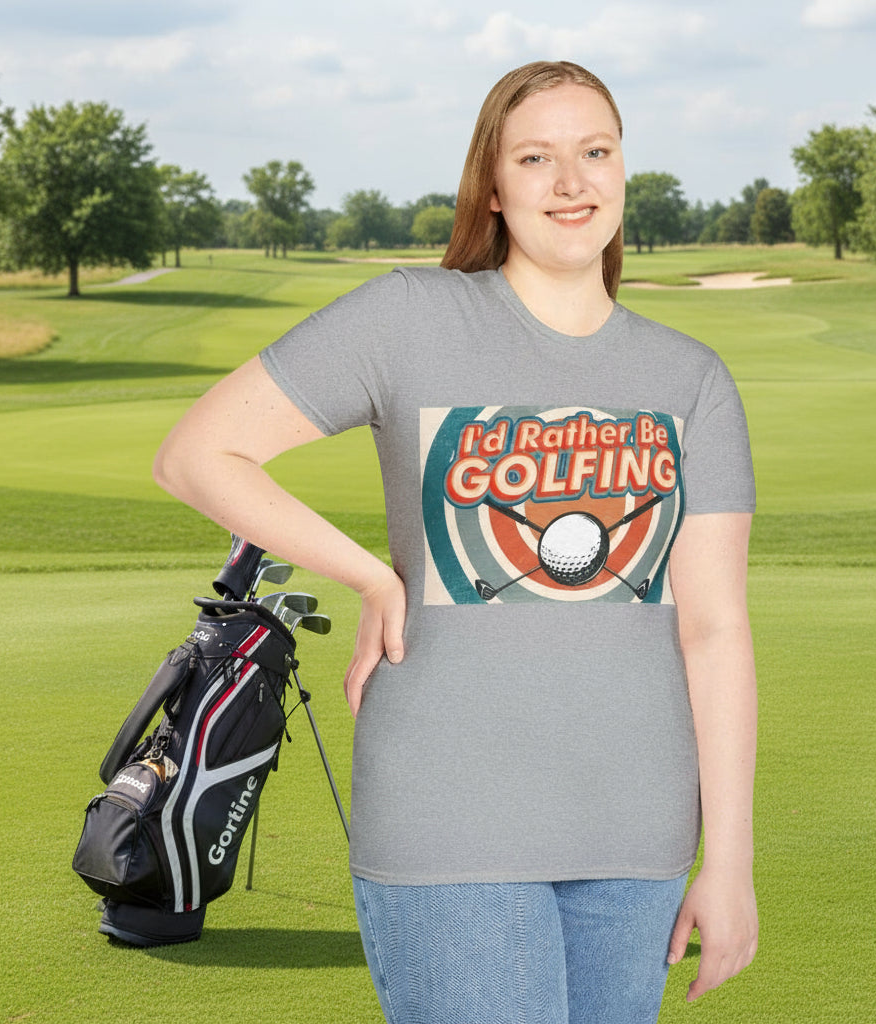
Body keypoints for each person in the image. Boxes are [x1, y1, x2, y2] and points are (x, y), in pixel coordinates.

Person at [154, 60, 758, 1023]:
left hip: (637, 841)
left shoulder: (689, 378)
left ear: (623, 170)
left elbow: (715, 632)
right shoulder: (409, 318)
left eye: (595, 151)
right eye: (537, 157)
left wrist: (729, 862)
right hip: (447, 829)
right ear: (494, 185)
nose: (572, 181)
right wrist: (370, 576)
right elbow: (196, 454)